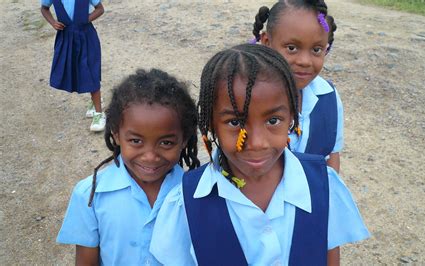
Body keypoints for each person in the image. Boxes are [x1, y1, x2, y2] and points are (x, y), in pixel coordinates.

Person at [150, 44, 369, 265]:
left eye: (273, 121)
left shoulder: (323, 184)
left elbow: (329, 255)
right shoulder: (185, 205)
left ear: (292, 116)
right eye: (235, 122)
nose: (256, 143)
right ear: (211, 125)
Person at [56, 69, 200, 265]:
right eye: (136, 141)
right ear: (116, 135)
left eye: (166, 143)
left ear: (184, 141)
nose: (150, 157)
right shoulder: (91, 195)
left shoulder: (198, 195)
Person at [252, 0, 344, 172]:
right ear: (266, 42)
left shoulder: (329, 97)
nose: (304, 61)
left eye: (316, 50)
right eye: (292, 48)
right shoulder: (247, 95)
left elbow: (331, 155)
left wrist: (329, 195)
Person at [40, 0, 106, 131]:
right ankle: (94, 103)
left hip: (86, 36)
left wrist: (85, 19)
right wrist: (53, 22)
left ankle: (99, 113)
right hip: (66, 38)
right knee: (74, 71)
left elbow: (100, 9)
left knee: (90, 72)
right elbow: (44, 8)